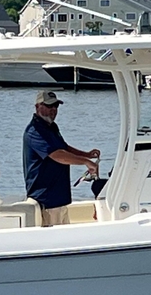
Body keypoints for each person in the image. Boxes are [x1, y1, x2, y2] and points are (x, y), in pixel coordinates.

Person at [23, 90, 99, 226]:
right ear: (37, 107)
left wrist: (86, 154)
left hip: (58, 198)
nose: (53, 110)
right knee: (54, 239)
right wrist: (86, 162)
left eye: (56, 106)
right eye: (49, 106)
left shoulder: (51, 127)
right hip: (47, 200)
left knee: (65, 236)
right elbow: (57, 155)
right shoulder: (35, 131)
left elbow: (64, 148)